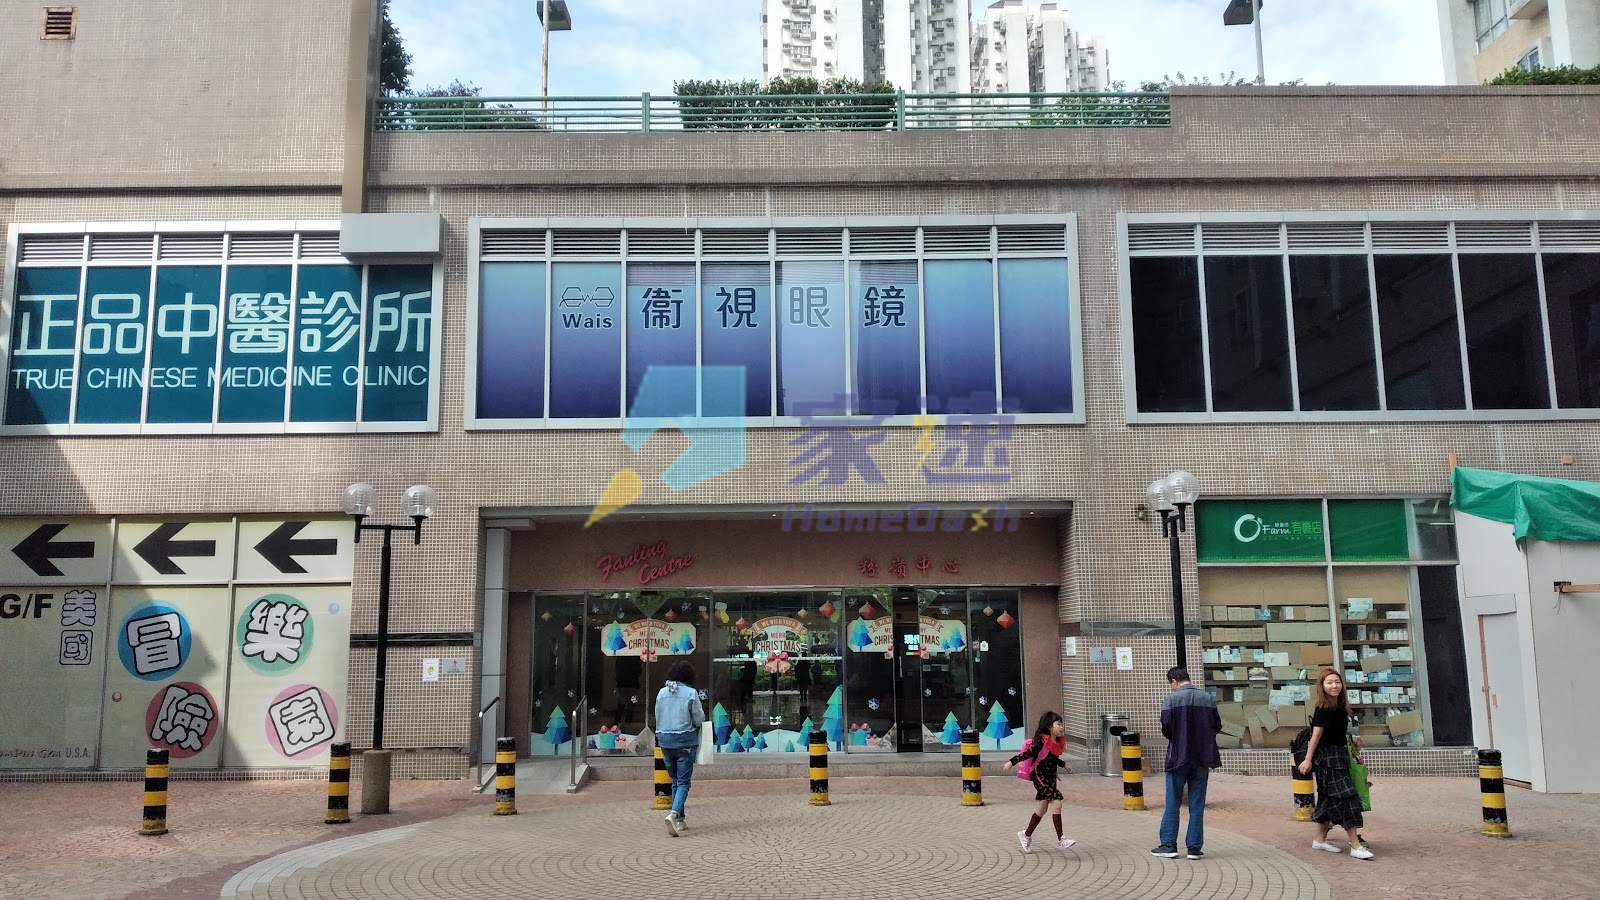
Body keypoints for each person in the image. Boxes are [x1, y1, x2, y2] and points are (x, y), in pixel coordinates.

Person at [1298, 668, 1373, 861]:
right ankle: (1355, 845)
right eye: (1329, 682)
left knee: (1328, 799)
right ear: (1322, 686)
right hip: (1327, 759)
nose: (1334, 686)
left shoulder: (1340, 707)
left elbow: (1337, 733)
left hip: (1340, 756)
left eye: (1337, 682)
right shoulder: (1323, 708)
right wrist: (1308, 759)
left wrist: (1352, 740)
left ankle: (1319, 840)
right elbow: (1316, 736)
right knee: (1347, 798)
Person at [1151, 666, 1222, 861]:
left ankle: (1168, 844)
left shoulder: (1171, 699)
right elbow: (1216, 726)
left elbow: (1167, 727)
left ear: (1174, 681)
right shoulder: (1208, 699)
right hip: (1202, 757)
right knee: (1197, 804)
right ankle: (1194, 848)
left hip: (1178, 757)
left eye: (1171, 684)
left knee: (1172, 802)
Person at [1003, 710, 1076, 852]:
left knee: (1042, 808)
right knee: (1057, 803)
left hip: (1050, 777)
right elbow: (1027, 754)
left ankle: (1026, 834)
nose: (1062, 727)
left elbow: (1052, 758)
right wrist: (1011, 762)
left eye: (1062, 724)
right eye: (1058, 724)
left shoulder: (1056, 741)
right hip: (1040, 777)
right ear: (1049, 727)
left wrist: (1064, 765)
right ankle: (1061, 838)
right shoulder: (1042, 741)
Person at [655, 660, 705, 837]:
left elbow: (658, 716)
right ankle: (674, 814)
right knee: (683, 782)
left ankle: (680, 820)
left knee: (675, 781)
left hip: (665, 740)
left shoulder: (662, 693)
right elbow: (698, 719)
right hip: (685, 741)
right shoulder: (691, 693)